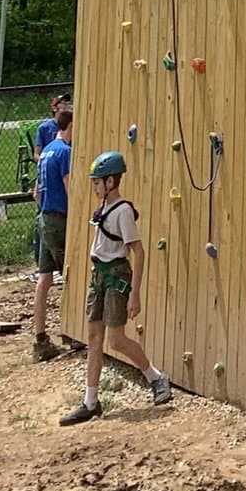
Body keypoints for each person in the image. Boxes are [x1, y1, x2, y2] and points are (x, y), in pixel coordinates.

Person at [59, 150, 172, 423]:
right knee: (94, 338)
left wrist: (135, 293)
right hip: (99, 275)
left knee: (116, 340)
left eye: (98, 182)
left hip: (116, 275)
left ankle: (156, 378)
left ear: (111, 182)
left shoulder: (122, 212)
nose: (95, 187)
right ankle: (90, 401)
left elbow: (139, 252)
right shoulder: (104, 209)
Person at [32, 106, 73, 361]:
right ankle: (73, 332)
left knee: (44, 280)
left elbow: (36, 192)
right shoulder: (65, 153)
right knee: (71, 276)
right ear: (71, 125)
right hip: (59, 220)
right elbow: (71, 190)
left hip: (44, 218)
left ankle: (40, 338)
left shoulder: (46, 151)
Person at [35, 92, 72, 160]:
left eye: (68, 102)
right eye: (63, 103)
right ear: (54, 108)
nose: (67, 105)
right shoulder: (44, 128)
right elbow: (36, 155)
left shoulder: (71, 126)